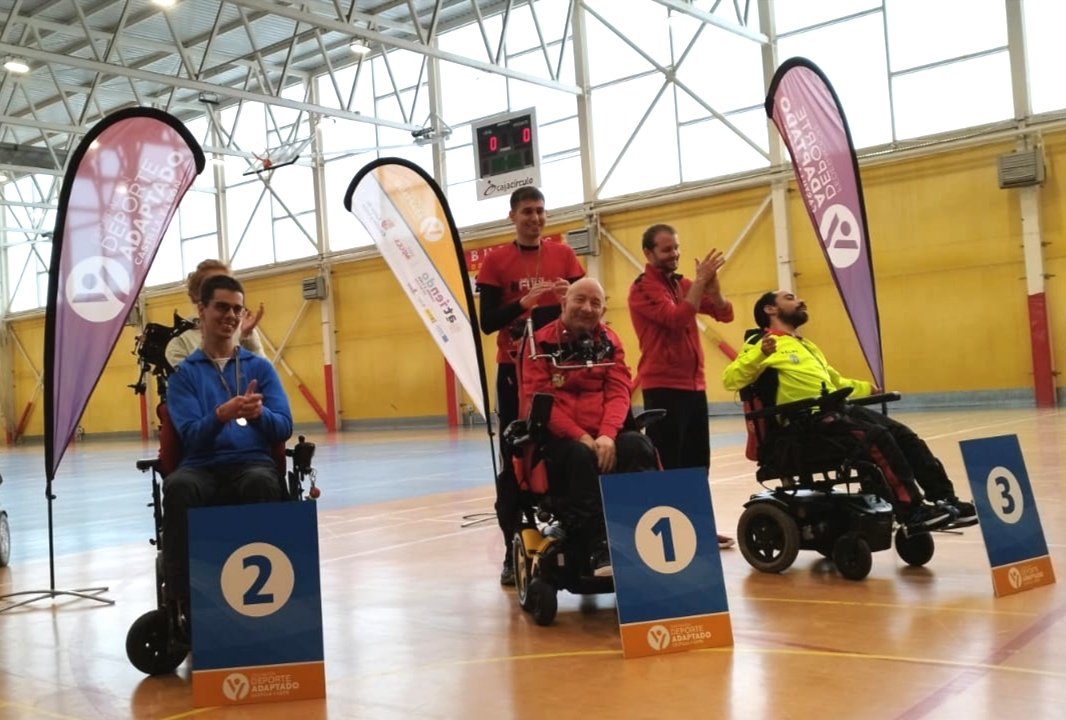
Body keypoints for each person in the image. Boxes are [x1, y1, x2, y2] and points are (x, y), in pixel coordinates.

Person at [722, 290, 977, 533]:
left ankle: (946, 500)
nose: (800, 301)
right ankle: (913, 511)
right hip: (805, 421)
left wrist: (868, 389)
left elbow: (835, 382)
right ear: (770, 309)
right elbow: (731, 379)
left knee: (903, 434)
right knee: (875, 437)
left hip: (836, 410)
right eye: (790, 298)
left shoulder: (806, 346)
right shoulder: (761, 342)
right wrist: (759, 354)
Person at [162, 274, 294, 644]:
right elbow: (190, 435)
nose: (231, 316)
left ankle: (266, 601)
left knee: (261, 483)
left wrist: (258, 415)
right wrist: (221, 414)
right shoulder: (185, 375)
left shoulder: (260, 369)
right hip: (201, 466)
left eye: (237, 309)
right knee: (179, 488)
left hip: (250, 462)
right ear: (201, 310)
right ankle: (184, 602)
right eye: (222, 307)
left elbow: (283, 426)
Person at [476, 186, 585, 585]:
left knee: (569, 450)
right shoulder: (495, 262)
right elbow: (487, 322)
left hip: (564, 370)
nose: (535, 218)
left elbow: (584, 308)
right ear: (512, 216)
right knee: (516, 462)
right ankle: (512, 547)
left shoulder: (564, 255)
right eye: (526, 211)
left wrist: (567, 298)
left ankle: (579, 532)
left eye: (540, 211)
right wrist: (526, 303)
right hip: (514, 374)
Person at [520, 278, 657, 577]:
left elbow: (619, 391)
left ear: (604, 309)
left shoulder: (610, 341)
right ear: (564, 303)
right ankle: (599, 545)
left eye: (596, 303)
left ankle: (646, 534)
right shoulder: (539, 344)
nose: (587, 308)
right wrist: (582, 436)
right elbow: (541, 402)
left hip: (605, 433)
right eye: (580, 299)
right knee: (579, 456)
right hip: (562, 439)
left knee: (638, 446)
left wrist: (607, 434)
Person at [628, 224, 737, 550]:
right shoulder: (642, 289)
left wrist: (713, 287)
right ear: (648, 253)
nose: (674, 254)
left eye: (676, 248)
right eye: (666, 250)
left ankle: (699, 527)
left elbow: (725, 313)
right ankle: (668, 536)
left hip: (694, 386)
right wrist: (700, 283)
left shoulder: (682, 284)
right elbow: (676, 318)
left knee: (697, 463)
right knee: (667, 464)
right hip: (663, 387)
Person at [165, 259, 265, 369]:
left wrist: (247, 338)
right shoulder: (180, 344)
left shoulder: (244, 332)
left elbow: (264, 377)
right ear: (197, 296)